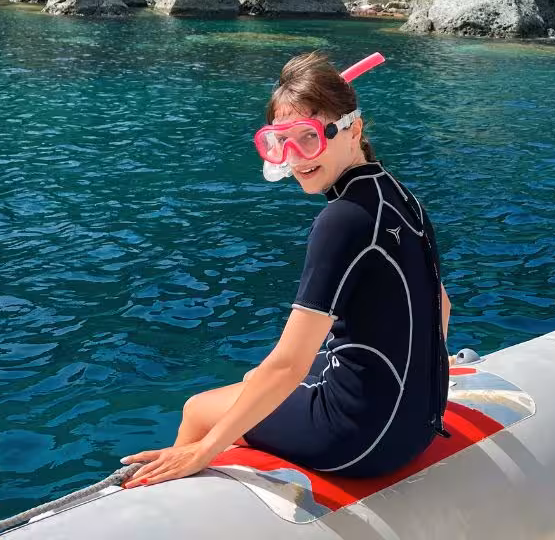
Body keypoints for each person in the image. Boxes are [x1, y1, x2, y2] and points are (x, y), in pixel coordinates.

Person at [121, 51, 452, 488]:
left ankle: (171, 499)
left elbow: (289, 365)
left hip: (360, 440)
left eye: (308, 138)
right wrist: (411, 395)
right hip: (418, 425)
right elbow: (441, 307)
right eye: (281, 142)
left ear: (353, 129)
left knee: (199, 409)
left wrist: (205, 451)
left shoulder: (342, 220)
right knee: (252, 379)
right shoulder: (399, 196)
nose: (295, 158)